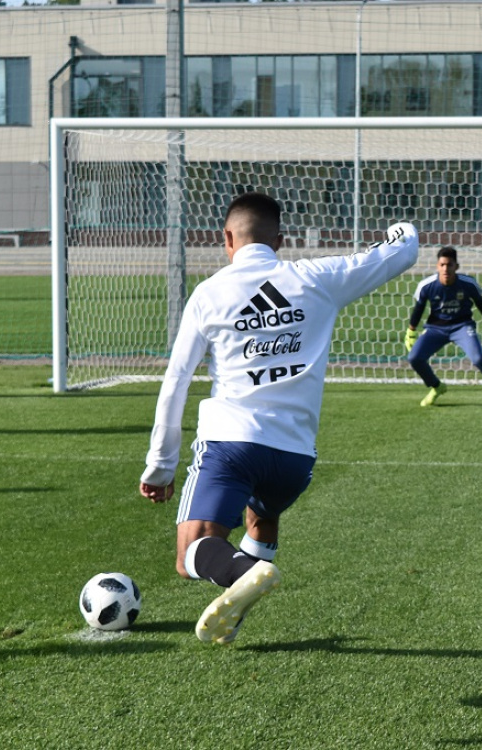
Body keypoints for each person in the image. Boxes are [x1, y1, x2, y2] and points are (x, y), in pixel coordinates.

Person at [139, 192, 419, 644]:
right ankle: (237, 605)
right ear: (279, 241)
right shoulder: (317, 278)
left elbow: (176, 382)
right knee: (262, 517)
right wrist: (399, 230)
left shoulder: (209, 294)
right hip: (295, 459)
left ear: (227, 238)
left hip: (231, 445)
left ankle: (243, 573)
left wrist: (160, 466)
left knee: (191, 551)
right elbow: (403, 249)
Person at [404, 246, 482, 409]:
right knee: (414, 358)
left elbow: (481, 304)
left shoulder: (467, 283)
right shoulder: (427, 285)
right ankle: (436, 386)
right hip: (436, 328)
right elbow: (419, 308)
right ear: (437, 266)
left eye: (449, 265)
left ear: (456, 266)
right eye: (442, 265)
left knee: (478, 359)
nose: (445, 269)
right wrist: (411, 331)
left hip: (462, 327)